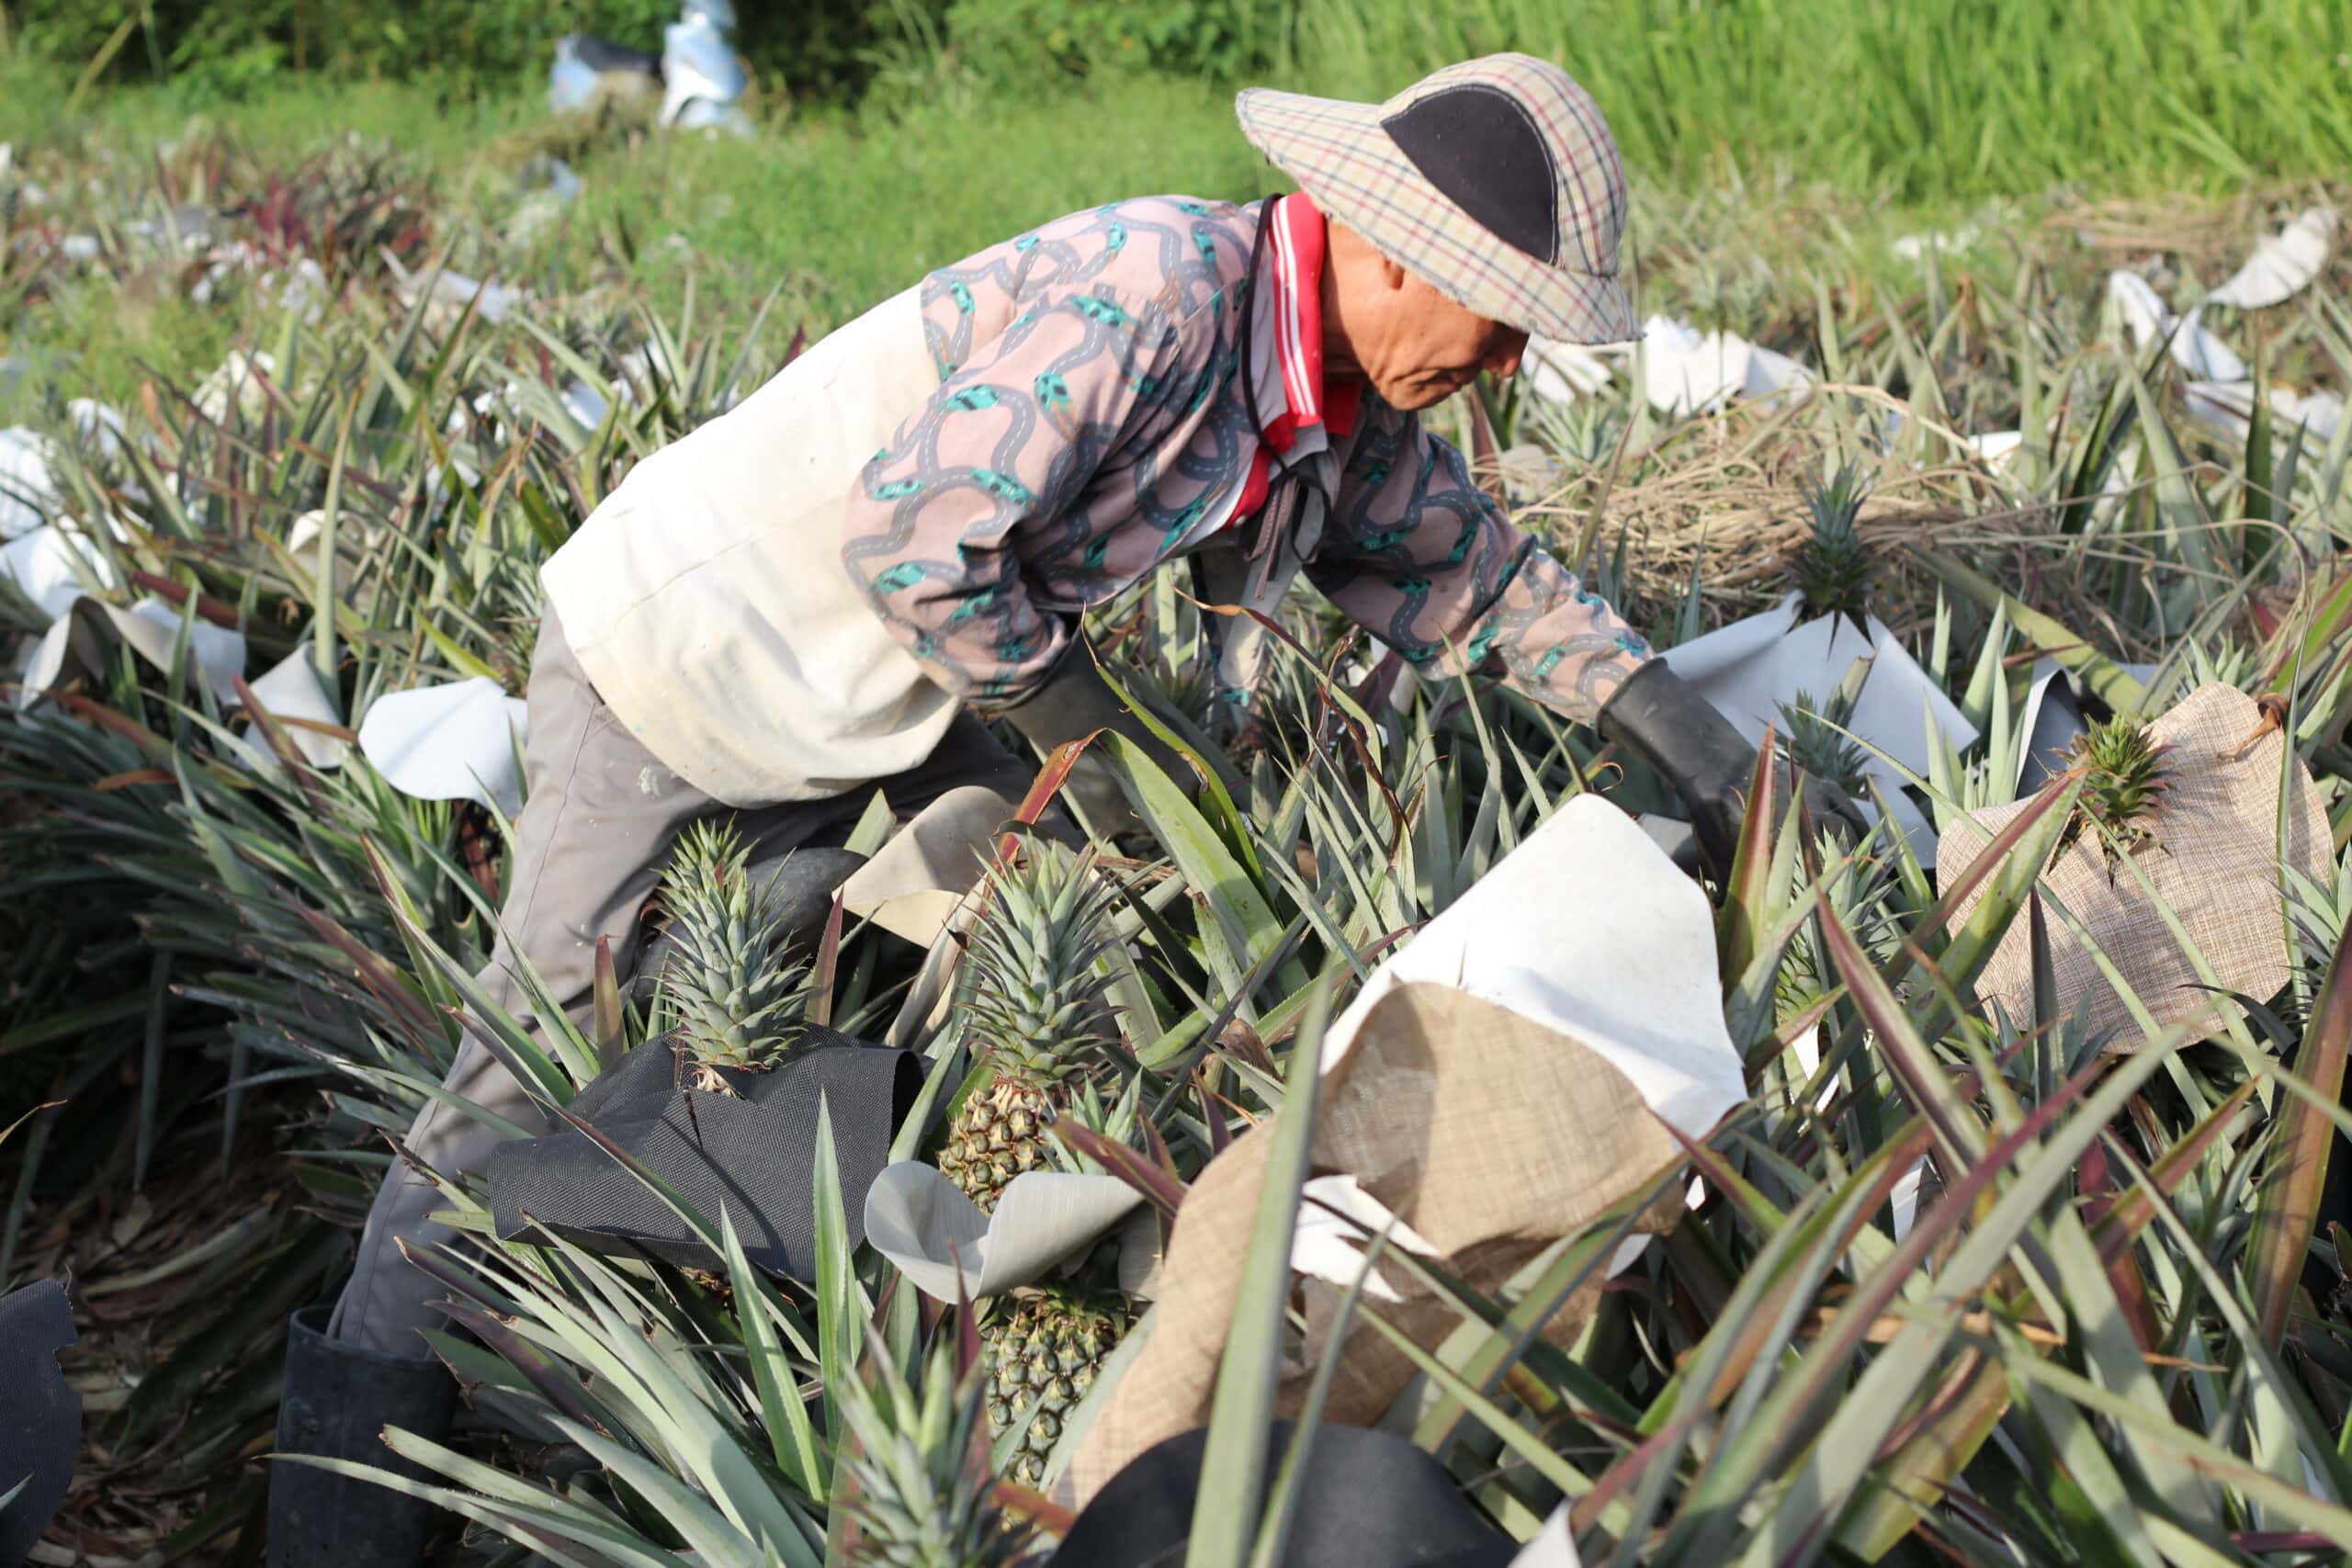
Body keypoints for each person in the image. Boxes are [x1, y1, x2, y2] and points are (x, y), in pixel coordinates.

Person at [266, 52, 1863, 1563]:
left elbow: (1471, 572)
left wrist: (1667, 718)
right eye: (1504, 321)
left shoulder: (1332, 401)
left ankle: (756, 1319)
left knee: (874, 983)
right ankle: (338, 1508)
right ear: (1387, 247)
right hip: (693, 661)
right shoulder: (1167, 292)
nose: (1508, 367)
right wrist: (1084, 730)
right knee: (513, 1077)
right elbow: (920, 536)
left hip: (882, 700)